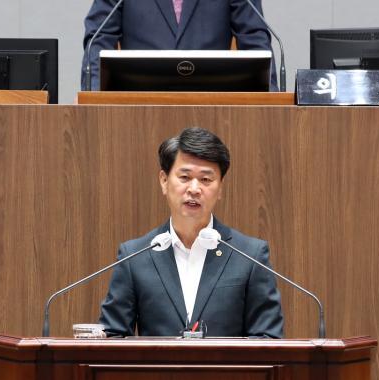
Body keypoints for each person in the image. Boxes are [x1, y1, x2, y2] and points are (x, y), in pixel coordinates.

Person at [99, 126, 283, 338]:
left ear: (220, 188)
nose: (194, 189)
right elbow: (113, 336)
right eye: (185, 177)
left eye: (206, 179)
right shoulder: (135, 256)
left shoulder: (250, 256)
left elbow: (268, 339)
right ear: (164, 181)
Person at [81, 0, 277, 90]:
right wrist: (93, 94)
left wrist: (272, 96)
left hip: (213, 107)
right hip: (138, 108)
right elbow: (99, 37)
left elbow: (254, 38)